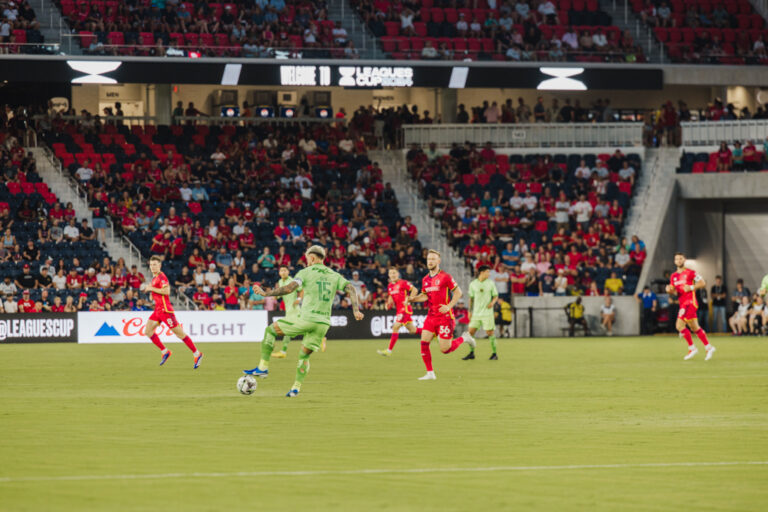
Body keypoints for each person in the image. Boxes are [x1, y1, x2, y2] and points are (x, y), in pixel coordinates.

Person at [244, 246, 364, 397]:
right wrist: (356, 310)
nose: (307, 262)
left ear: (312, 258)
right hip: (323, 324)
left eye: (307, 259)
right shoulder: (335, 275)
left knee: (270, 330)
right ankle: (296, 388)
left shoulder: (305, 272)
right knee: (304, 355)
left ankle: (263, 367)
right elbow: (352, 288)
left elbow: (289, 289)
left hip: (307, 319)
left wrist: (266, 293)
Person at [406, 249, 476, 380]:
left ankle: (464, 338)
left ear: (439, 261)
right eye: (428, 259)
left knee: (445, 349)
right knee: (424, 341)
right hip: (431, 316)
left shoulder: (445, 276)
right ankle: (430, 373)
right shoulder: (425, 279)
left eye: (433, 259)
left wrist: (449, 306)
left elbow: (458, 293)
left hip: (445, 317)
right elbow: (425, 296)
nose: (430, 261)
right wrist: (413, 299)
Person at [141, 255, 203, 368]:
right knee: (148, 331)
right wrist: (150, 293)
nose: (152, 267)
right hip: (158, 310)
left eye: (155, 264)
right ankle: (165, 351)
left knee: (179, 334)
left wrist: (151, 289)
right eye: (151, 265)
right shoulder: (154, 279)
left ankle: (197, 353)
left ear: (159, 265)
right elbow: (155, 295)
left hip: (165, 311)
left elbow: (167, 291)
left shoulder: (162, 277)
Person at [666, 252, 715, 360]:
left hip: (690, 303)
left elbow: (702, 283)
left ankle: (692, 348)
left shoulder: (691, 273)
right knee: (694, 327)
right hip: (682, 304)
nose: (679, 261)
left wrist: (691, 287)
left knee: (679, 326)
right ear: (674, 261)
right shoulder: (673, 276)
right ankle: (709, 347)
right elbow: (674, 291)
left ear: (684, 260)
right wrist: (669, 290)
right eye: (677, 259)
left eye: (681, 259)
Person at [377, 268, 420, 357]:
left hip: (405, 309)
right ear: (388, 275)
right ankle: (433, 333)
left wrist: (409, 300)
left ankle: (389, 351)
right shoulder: (389, 286)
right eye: (391, 273)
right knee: (412, 330)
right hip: (399, 310)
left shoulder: (403, 282)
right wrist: (388, 303)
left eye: (394, 273)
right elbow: (391, 296)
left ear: (398, 274)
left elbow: (415, 290)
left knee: (395, 327)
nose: (392, 275)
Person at [462, 265, 500, 361]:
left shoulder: (490, 283)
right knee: (470, 332)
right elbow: (471, 299)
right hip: (476, 313)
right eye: (487, 272)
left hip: (487, 313)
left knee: (490, 332)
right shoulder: (473, 284)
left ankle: (494, 353)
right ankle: (471, 353)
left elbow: (495, 296)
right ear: (482, 272)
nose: (489, 274)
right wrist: (469, 311)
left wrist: (492, 303)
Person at [271, 266, 303, 359]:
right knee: (292, 330)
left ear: (288, 272)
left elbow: (301, 290)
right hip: (289, 311)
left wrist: (299, 299)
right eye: (281, 270)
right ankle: (283, 351)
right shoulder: (280, 282)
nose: (283, 272)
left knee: (288, 330)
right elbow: (281, 293)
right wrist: (276, 296)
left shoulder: (293, 281)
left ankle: (282, 351)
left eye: (285, 270)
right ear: (279, 273)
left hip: (294, 309)